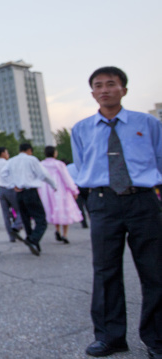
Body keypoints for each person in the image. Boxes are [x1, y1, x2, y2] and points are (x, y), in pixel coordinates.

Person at [71, 66, 162, 358]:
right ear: (93, 93)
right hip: (103, 202)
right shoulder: (81, 129)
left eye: (111, 84)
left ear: (124, 89)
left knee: (154, 271)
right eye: (98, 85)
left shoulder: (147, 123)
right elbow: (82, 166)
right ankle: (110, 337)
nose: (104, 89)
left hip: (142, 201)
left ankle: (157, 339)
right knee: (105, 271)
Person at [1, 143, 56, 256]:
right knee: (41, 220)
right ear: (29, 150)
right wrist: (53, 185)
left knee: (26, 219)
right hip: (31, 191)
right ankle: (33, 239)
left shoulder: (12, 161)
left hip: (19, 193)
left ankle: (33, 243)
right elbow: (43, 174)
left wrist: (13, 184)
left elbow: (3, 174)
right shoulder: (31, 159)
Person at [37, 146, 82, 244]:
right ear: (54, 153)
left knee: (54, 210)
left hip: (46, 190)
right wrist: (74, 190)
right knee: (64, 210)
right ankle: (64, 234)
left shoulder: (41, 164)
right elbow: (66, 178)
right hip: (60, 189)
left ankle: (57, 230)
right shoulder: (59, 164)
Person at [0, 145, 24, 242]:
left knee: (6, 214)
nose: (8, 154)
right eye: (7, 152)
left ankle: (11, 236)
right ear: (3, 153)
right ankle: (17, 226)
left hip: (1, 191)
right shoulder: (9, 163)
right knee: (21, 210)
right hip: (11, 189)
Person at [66, 163, 89, 228]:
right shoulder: (83, 165)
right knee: (88, 203)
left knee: (79, 205)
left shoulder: (68, 167)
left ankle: (84, 223)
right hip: (84, 185)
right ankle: (92, 219)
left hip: (75, 185)